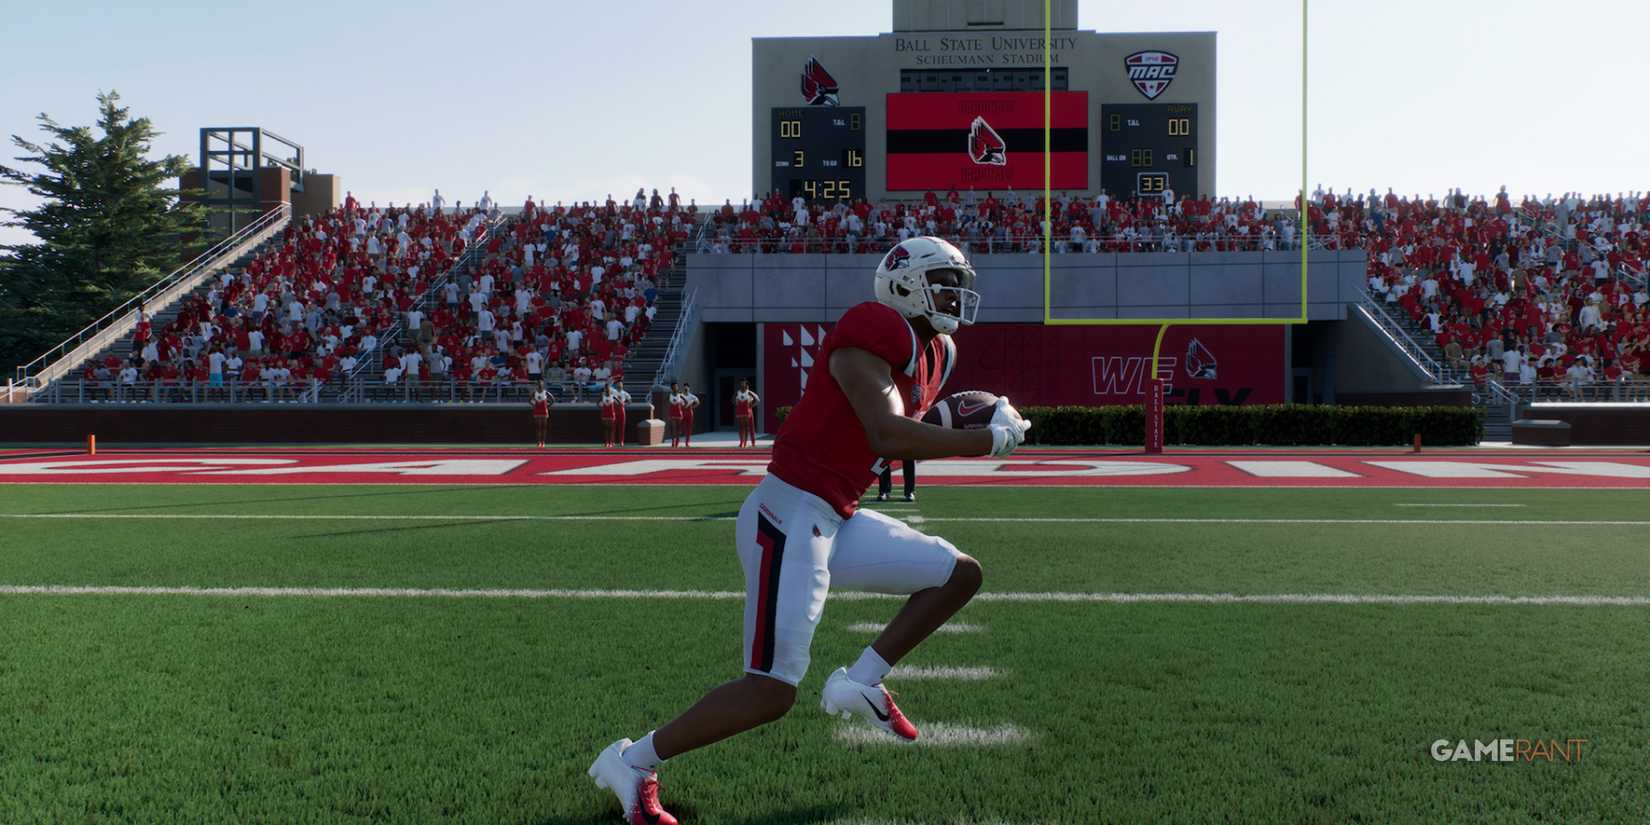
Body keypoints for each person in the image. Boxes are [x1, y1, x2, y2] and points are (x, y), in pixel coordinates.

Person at [588, 236, 1031, 824]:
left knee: (958, 574)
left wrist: (961, 417)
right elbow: (887, 434)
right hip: (788, 514)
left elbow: (909, 420)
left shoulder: (935, 350)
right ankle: (632, 759)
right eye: (944, 283)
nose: (956, 296)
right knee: (771, 690)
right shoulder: (872, 330)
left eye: (958, 285)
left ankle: (861, 682)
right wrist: (984, 439)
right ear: (904, 284)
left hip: (834, 515)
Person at [733, 379, 760, 447]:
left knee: (749, 427)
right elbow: (733, 400)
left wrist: (752, 405)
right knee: (741, 427)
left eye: (744, 383)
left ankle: (751, 442)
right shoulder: (738, 392)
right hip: (741, 411)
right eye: (741, 383)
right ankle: (742, 442)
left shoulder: (749, 392)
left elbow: (757, 400)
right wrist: (737, 404)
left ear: (746, 384)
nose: (742, 384)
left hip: (748, 411)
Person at [608, 379, 633, 447]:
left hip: (621, 410)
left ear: (622, 386)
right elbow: (608, 387)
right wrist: (611, 381)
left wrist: (625, 404)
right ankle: (612, 441)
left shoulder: (625, 393)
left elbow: (630, 401)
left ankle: (621, 441)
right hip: (614, 410)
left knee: (622, 427)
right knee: (613, 426)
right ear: (616, 385)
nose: (619, 385)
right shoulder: (613, 391)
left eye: (620, 384)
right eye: (618, 384)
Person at [531, 381, 553, 448]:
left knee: (544, 427)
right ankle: (538, 442)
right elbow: (529, 399)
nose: (540, 385)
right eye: (538, 384)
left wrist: (548, 405)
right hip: (537, 410)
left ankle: (543, 442)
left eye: (541, 384)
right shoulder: (534, 392)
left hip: (544, 411)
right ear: (537, 385)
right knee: (538, 427)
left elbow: (552, 399)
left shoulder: (545, 392)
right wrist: (533, 404)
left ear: (543, 385)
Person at [599, 379, 619, 448]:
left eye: (608, 388)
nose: (607, 389)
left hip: (611, 413)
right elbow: (598, 403)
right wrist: (601, 406)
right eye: (606, 388)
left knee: (611, 429)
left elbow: (619, 403)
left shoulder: (613, 396)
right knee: (606, 429)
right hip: (605, 413)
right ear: (604, 389)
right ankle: (606, 442)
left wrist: (615, 406)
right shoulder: (602, 396)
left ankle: (611, 442)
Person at [668, 382, 685, 448]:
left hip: (679, 412)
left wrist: (682, 405)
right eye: (674, 386)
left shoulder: (680, 395)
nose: (676, 387)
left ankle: (677, 442)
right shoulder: (669, 395)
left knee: (678, 428)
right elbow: (667, 402)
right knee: (673, 428)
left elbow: (685, 402)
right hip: (672, 412)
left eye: (676, 386)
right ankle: (673, 442)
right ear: (672, 388)